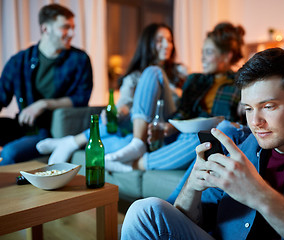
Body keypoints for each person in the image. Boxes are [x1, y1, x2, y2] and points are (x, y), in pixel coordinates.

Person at [120, 48, 284, 240]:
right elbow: (187, 225)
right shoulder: (239, 146)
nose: (256, 122)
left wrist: (260, 196)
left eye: (268, 106)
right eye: (248, 109)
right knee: (145, 212)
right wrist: (192, 187)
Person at [104, 22, 248, 172]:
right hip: (180, 135)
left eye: (209, 52)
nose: (202, 58)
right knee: (153, 71)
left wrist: (247, 103)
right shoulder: (195, 80)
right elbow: (183, 112)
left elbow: (237, 127)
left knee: (203, 139)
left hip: (202, 140)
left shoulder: (241, 84)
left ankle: (134, 165)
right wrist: (171, 127)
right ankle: (137, 144)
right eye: (202, 52)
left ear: (226, 56)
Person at [36, 23, 186, 165]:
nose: (167, 45)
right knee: (109, 141)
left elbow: (188, 109)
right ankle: (131, 146)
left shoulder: (180, 73)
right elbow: (125, 105)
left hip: (167, 126)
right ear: (147, 44)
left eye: (169, 40)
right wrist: (116, 113)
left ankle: (73, 141)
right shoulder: (133, 77)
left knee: (153, 72)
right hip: (143, 132)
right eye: (160, 40)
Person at [0, 4, 93, 165]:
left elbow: (81, 99)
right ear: (45, 29)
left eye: (73, 27)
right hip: (23, 126)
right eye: (65, 27)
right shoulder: (19, 61)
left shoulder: (79, 60)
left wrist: (43, 104)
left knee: (9, 153)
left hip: (52, 131)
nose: (72, 33)